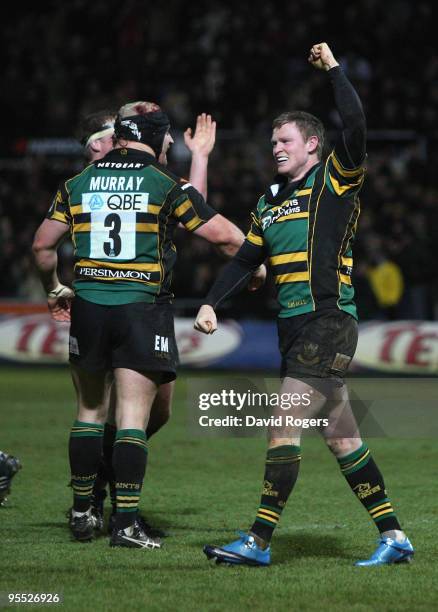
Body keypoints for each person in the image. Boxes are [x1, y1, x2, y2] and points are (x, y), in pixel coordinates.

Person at [195, 43, 413, 567]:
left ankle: (259, 541)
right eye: (273, 141)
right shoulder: (269, 202)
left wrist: (334, 70)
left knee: (281, 423)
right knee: (343, 439)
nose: (276, 147)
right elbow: (245, 259)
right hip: (291, 329)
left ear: (313, 144)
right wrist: (211, 303)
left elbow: (356, 124)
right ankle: (395, 537)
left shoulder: (334, 180)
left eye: (285, 140)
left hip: (329, 322)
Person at [33, 100, 265, 549]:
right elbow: (222, 234)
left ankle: (83, 512)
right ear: (157, 140)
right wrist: (253, 266)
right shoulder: (161, 183)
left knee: (89, 412)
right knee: (136, 419)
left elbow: (43, 246)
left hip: (89, 305)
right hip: (141, 307)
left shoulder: (77, 183)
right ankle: (125, 524)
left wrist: (53, 286)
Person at [77, 110, 219, 536]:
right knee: (110, 411)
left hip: (150, 302)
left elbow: (194, 210)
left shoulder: (144, 176)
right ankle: (103, 506)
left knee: (157, 410)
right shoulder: (103, 173)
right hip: (116, 302)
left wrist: (200, 158)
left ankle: (100, 485)